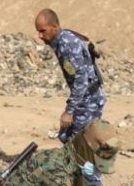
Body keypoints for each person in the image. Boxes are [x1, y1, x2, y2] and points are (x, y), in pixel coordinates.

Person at [35, 8, 106, 145]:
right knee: (68, 137)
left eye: (43, 31)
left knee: (75, 142)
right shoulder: (62, 40)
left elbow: (81, 79)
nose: (40, 36)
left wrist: (69, 111)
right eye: (38, 31)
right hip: (87, 97)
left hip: (88, 100)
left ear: (55, 27)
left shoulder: (66, 45)